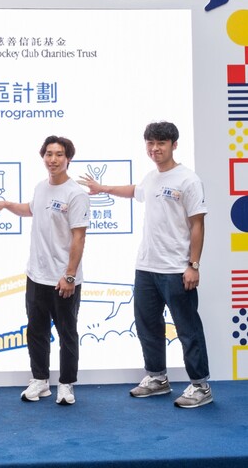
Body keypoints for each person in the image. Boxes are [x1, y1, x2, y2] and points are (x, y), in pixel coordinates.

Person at [78, 121, 212, 408]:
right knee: (148, 326)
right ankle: (157, 378)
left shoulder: (188, 180)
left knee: (187, 328)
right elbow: (134, 190)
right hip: (147, 268)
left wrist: (194, 265)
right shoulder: (152, 178)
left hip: (177, 269)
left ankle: (200, 385)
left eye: (161, 143)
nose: (155, 149)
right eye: (151, 143)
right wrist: (102, 188)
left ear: (174, 144)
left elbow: (197, 225)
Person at [0, 136, 89, 406]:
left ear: (68, 159)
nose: (53, 159)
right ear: (43, 157)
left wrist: (70, 276)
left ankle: (66, 384)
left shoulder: (75, 194)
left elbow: (79, 237)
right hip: (36, 276)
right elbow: (29, 210)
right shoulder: (41, 188)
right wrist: (5, 205)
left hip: (63, 278)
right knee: (36, 331)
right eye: (49, 154)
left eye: (59, 154)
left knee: (67, 333)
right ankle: (40, 380)